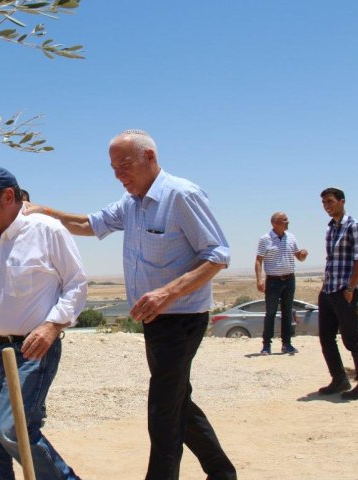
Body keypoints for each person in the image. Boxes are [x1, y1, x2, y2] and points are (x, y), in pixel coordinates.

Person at [24, 130, 237, 479]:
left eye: (124, 165)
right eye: (113, 168)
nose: (119, 175)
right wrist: (43, 211)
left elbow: (217, 255)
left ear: (149, 157)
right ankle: (222, 473)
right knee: (176, 400)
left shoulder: (182, 195)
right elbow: (88, 224)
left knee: (163, 411)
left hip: (182, 317)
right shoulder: (131, 203)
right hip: (155, 320)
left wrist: (167, 293)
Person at [0, 166, 87, 480]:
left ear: (8, 196)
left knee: (11, 429)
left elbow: (76, 285)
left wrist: (52, 326)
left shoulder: (47, 231)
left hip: (33, 350)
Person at [316, 188, 358, 400]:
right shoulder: (331, 228)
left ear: (341, 201)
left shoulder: (354, 226)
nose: (327, 206)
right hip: (329, 290)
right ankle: (339, 379)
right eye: (324, 203)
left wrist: (350, 288)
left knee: (352, 339)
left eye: (330, 201)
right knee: (326, 337)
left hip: (344, 291)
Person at [255, 212, 308, 355]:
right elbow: (259, 260)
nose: (288, 222)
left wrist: (303, 254)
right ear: (275, 223)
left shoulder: (291, 237)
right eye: (285, 220)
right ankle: (266, 345)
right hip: (273, 281)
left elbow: (299, 257)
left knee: (287, 312)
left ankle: (287, 344)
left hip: (289, 280)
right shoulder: (265, 239)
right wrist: (259, 279)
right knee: (270, 313)